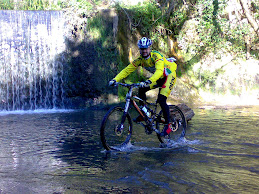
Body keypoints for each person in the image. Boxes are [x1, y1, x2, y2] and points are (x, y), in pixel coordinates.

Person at [109, 37, 177, 136]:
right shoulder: (140, 60)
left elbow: (158, 71)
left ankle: (168, 124)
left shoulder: (157, 56)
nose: (144, 51)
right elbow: (127, 70)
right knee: (141, 89)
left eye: (146, 48)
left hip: (169, 76)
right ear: (139, 49)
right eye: (142, 49)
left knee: (161, 100)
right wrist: (115, 79)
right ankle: (144, 113)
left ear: (149, 48)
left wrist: (149, 81)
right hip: (158, 77)